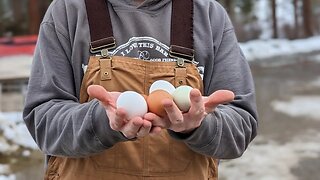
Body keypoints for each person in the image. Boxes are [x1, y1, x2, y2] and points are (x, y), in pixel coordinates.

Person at [23, 0, 258, 179]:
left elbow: (240, 128)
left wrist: (199, 126)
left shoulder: (209, 15)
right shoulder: (67, 11)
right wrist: (101, 122)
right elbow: (43, 122)